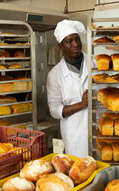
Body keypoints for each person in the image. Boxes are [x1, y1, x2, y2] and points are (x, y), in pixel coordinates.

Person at [47, 19, 93, 158]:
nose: (76, 44)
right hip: (75, 135)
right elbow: (54, 110)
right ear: (61, 46)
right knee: (81, 172)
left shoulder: (95, 62)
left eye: (77, 39)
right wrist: (82, 104)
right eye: (69, 41)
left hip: (99, 127)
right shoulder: (55, 74)